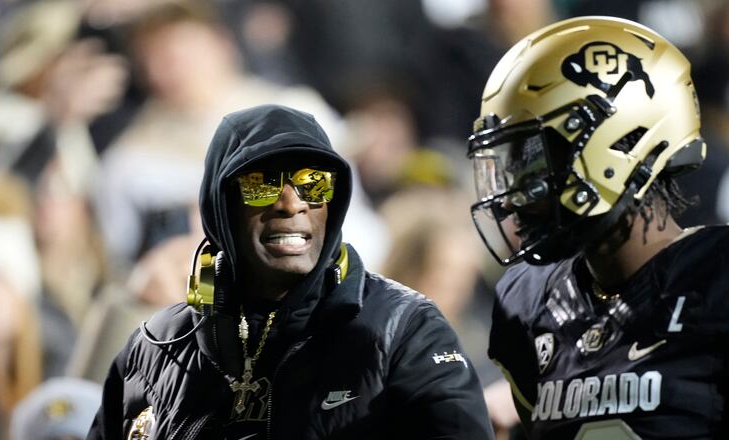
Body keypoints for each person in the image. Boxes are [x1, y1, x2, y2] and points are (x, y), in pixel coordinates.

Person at [87, 104, 494, 439]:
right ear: (220, 204)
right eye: (262, 183)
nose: (291, 202)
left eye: (313, 183)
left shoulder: (405, 329)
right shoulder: (152, 348)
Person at [467, 16, 729, 439]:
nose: (515, 194)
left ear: (621, 140)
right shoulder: (528, 303)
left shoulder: (716, 278)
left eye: (530, 160)